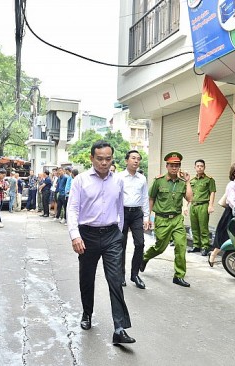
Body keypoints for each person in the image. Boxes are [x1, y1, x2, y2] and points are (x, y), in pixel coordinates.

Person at [67, 140, 135, 345]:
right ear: (92, 158)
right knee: (87, 278)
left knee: (115, 279)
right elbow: (72, 209)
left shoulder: (118, 181)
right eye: (100, 159)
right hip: (86, 236)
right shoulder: (80, 180)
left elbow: (119, 209)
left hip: (112, 236)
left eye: (108, 159)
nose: (104, 163)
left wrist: (120, 232)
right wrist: (75, 235)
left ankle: (120, 328)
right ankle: (87, 313)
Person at [140, 152, 193, 287]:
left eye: (177, 165)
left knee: (181, 246)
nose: (174, 168)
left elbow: (189, 198)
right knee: (160, 247)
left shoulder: (182, 182)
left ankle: (179, 275)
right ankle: (145, 258)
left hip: (176, 219)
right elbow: (151, 199)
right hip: (162, 220)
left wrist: (187, 182)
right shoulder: (159, 181)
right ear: (167, 166)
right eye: (172, 165)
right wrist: (148, 218)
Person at [117, 150, 150, 289]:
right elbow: (115, 198)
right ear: (126, 161)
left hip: (137, 213)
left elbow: (145, 198)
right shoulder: (119, 177)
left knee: (140, 243)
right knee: (121, 245)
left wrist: (147, 216)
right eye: (133, 158)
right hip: (122, 213)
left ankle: (135, 274)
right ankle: (121, 275)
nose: (136, 161)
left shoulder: (142, 178)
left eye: (138, 159)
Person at [209, 162, 235, 266]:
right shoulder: (231, 184)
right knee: (224, 235)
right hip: (231, 213)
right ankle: (213, 255)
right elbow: (230, 200)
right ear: (234, 173)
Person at [188, 159, 216, 256]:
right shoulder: (192, 181)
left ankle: (205, 247)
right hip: (193, 205)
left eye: (201, 166)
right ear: (195, 167)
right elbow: (189, 194)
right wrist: (186, 206)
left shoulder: (209, 180)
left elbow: (212, 192)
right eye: (198, 166)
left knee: (203, 227)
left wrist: (211, 205)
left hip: (203, 205)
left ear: (204, 167)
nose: (200, 167)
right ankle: (196, 245)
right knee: (194, 227)